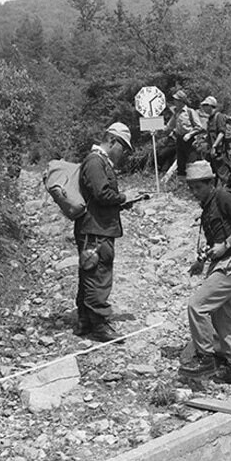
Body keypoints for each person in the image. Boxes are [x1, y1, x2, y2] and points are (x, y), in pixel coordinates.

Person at [179, 161, 231, 386]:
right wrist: (201, 261)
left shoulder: (222, 197)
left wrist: (227, 243)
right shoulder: (208, 204)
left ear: (209, 183)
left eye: (198, 187)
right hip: (221, 263)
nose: (194, 192)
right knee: (222, 318)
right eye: (191, 188)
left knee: (197, 306)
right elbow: (215, 241)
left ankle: (205, 357)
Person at [74, 122, 133, 342]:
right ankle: (99, 326)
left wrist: (120, 202)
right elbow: (102, 194)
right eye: (123, 147)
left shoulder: (97, 161)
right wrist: (123, 198)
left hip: (96, 228)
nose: (124, 153)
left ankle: (85, 321)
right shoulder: (96, 162)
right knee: (98, 276)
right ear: (112, 141)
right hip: (96, 230)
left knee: (90, 273)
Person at [165, 90, 205, 181]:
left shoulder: (190, 112)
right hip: (179, 139)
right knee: (181, 162)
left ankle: (195, 182)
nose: (175, 102)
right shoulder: (176, 113)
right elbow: (169, 126)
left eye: (176, 100)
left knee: (192, 162)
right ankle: (181, 184)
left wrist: (190, 134)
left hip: (189, 140)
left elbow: (199, 127)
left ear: (181, 101)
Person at [200, 96, 231, 189]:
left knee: (224, 175)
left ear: (211, 106)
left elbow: (221, 133)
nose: (203, 107)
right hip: (212, 152)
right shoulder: (210, 119)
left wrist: (214, 146)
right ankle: (213, 197)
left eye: (205, 105)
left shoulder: (219, 117)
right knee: (211, 175)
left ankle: (227, 197)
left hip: (220, 152)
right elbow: (211, 134)